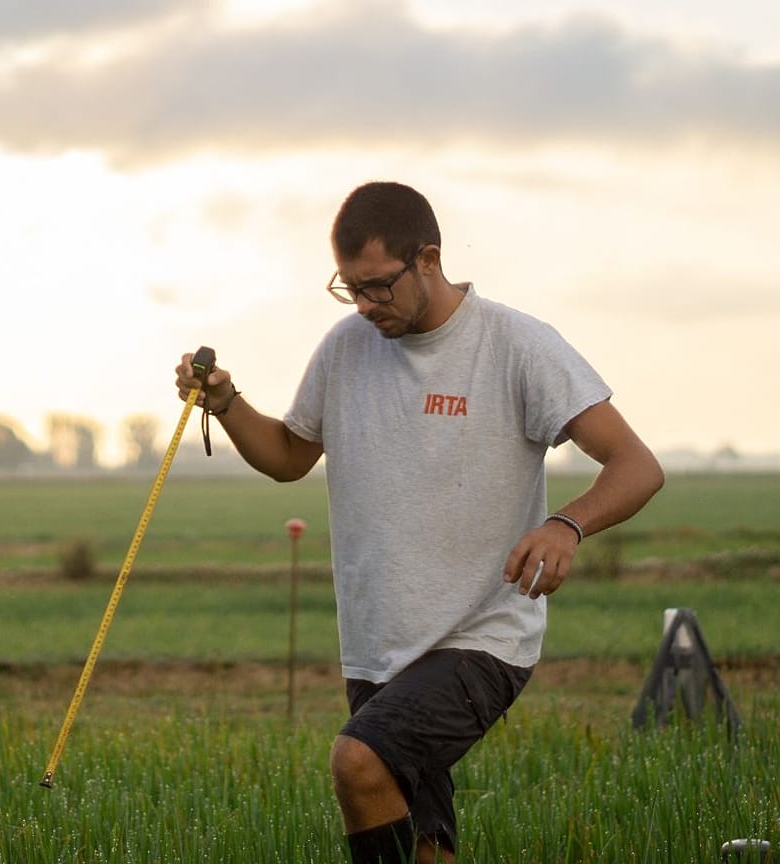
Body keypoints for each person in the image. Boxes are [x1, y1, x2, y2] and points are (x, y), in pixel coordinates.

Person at [174, 181, 664, 863]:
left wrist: (565, 525)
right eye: (350, 289)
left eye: (378, 286)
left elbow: (636, 466)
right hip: (378, 643)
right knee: (424, 843)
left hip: (482, 636)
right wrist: (226, 404)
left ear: (427, 259)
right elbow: (288, 457)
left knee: (357, 764)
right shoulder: (346, 348)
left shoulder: (516, 345)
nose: (367, 305)